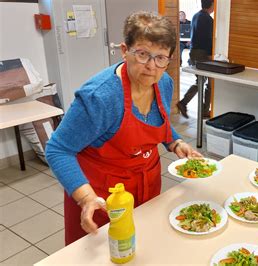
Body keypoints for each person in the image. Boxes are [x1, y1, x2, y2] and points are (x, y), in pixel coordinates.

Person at [45, 11, 202, 245]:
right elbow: (57, 149)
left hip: (146, 187)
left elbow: (159, 123)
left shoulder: (164, 82)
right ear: (124, 51)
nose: (151, 67)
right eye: (142, 54)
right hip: (102, 196)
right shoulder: (101, 97)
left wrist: (175, 141)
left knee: (143, 249)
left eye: (160, 58)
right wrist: (86, 198)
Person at [176, 0, 214, 119]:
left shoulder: (196, 16)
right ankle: (203, 110)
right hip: (202, 53)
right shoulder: (208, 19)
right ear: (212, 5)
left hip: (194, 52)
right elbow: (208, 38)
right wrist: (209, 54)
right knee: (209, 83)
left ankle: (187, 104)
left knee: (201, 81)